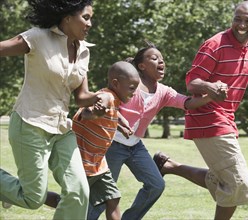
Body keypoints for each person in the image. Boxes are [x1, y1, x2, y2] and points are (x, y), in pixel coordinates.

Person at [153, 1, 248, 220]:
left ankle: (169, 166)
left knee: (227, 181)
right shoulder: (215, 44)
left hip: (226, 118)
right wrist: (210, 87)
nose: (241, 25)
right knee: (240, 186)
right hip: (207, 117)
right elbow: (191, 81)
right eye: (237, 19)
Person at [88, 41, 225, 220]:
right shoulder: (128, 84)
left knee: (156, 185)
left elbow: (187, 103)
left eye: (162, 59)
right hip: (112, 146)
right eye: (154, 58)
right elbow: (103, 99)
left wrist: (210, 97)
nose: (161, 62)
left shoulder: (164, 91)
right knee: (102, 196)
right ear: (141, 66)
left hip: (135, 147)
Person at [0, 0, 109, 219]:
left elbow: (81, 97)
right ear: (67, 17)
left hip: (62, 130)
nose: (90, 24)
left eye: (91, 19)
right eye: (86, 18)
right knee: (33, 198)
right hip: (30, 124)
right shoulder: (38, 37)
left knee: (79, 191)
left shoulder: (83, 50)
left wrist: (102, 98)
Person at [72, 61, 140, 220]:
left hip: (99, 164)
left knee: (113, 198)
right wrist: (92, 113)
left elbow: (109, 114)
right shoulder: (106, 96)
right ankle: (22, 193)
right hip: (85, 163)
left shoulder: (114, 100)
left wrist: (120, 125)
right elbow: (91, 110)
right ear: (116, 83)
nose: (134, 93)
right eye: (131, 88)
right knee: (69, 202)